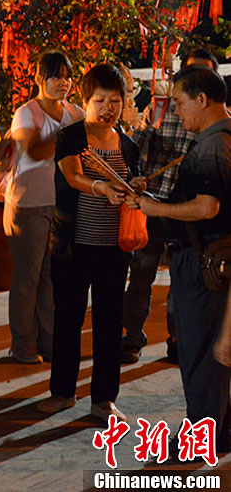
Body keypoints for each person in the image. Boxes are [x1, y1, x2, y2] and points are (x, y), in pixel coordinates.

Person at [130, 65, 231, 454]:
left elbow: (207, 207)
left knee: (199, 351)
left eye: (179, 103)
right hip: (215, 261)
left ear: (202, 100)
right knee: (211, 352)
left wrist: (157, 210)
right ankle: (219, 430)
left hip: (202, 261)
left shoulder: (212, 146)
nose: (176, 113)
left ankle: (201, 437)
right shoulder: (221, 138)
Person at [37, 64, 143, 423]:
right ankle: (63, 392)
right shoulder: (71, 137)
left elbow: (133, 184)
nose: (108, 108)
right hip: (73, 244)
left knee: (110, 322)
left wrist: (136, 190)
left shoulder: (127, 145)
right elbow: (72, 175)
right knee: (67, 318)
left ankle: (104, 399)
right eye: (100, 100)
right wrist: (102, 187)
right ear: (86, 101)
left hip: (114, 248)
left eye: (115, 100)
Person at [120, 53, 205, 365]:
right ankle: (131, 337)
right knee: (142, 272)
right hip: (153, 203)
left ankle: (176, 340)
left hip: (187, 211)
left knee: (183, 278)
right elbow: (135, 146)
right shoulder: (163, 107)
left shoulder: (215, 123)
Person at [3, 51, 84, 364]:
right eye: (55, 76)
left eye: (67, 76)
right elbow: (33, 151)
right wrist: (69, 135)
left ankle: (49, 343)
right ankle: (23, 344)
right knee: (28, 277)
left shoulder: (75, 112)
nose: (62, 82)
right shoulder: (27, 113)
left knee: (53, 276)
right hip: (29, 204)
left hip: (60, 204)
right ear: (39, 79)